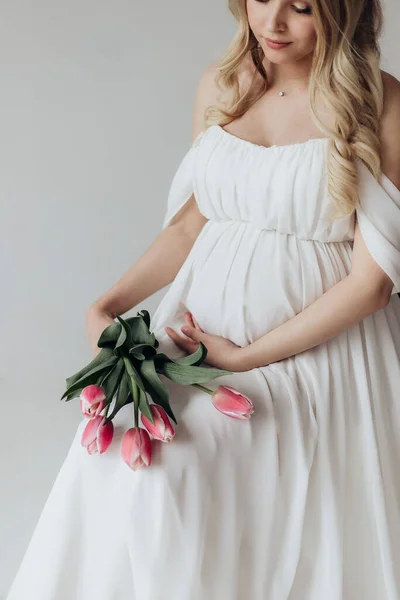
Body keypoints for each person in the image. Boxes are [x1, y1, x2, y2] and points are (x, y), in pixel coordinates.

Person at [6, 0, 400, 598]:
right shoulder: (222, 84)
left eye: (301, 8)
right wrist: (106, 303)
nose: (273, 23)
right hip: (196, 340)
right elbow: (192, 226)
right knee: (121, 457)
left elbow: (372, 285)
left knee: (180, 472)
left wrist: (245, 357)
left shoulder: (382, 105)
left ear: (343, 14)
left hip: (309, 359)